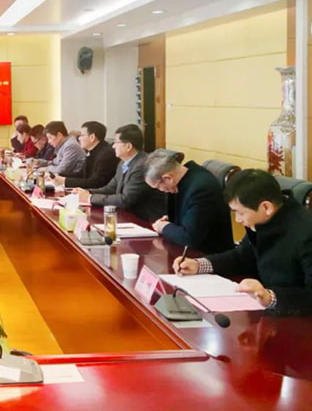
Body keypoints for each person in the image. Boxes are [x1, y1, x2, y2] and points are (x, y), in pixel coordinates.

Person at [174, 169, 312, 316]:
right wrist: (199, 265)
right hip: (267, 313)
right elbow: (242, 257)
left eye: (240, 213)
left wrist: (270, 297)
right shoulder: (266, 221)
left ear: (266, 207)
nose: (238, 220)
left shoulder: (305, 232)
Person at [144, 149, 234, 254]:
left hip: (208, 256)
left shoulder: (201, 188)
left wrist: (164, 227)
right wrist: (173, 220)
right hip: (188, 253)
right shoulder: (185, 177)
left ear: (168, 178)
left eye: (158, 186)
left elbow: (190, 237)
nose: (160, 190)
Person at [76, 124, 166, 221]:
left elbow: (125, 200)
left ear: (128, 146)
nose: (113, 146)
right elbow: (110, 188)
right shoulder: (123, 162)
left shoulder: (142, 166)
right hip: (127, 215)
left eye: (116, 142)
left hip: (145, 220)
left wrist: (90, 198)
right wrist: (86, 192)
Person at [59, 121, 119, 189]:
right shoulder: (93, 151)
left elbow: (95, 182)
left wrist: (64, 181)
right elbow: (82, 174)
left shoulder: (106, 155)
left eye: (82, 135)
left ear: (92, 137)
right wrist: (59, 176)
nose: (79, 138)